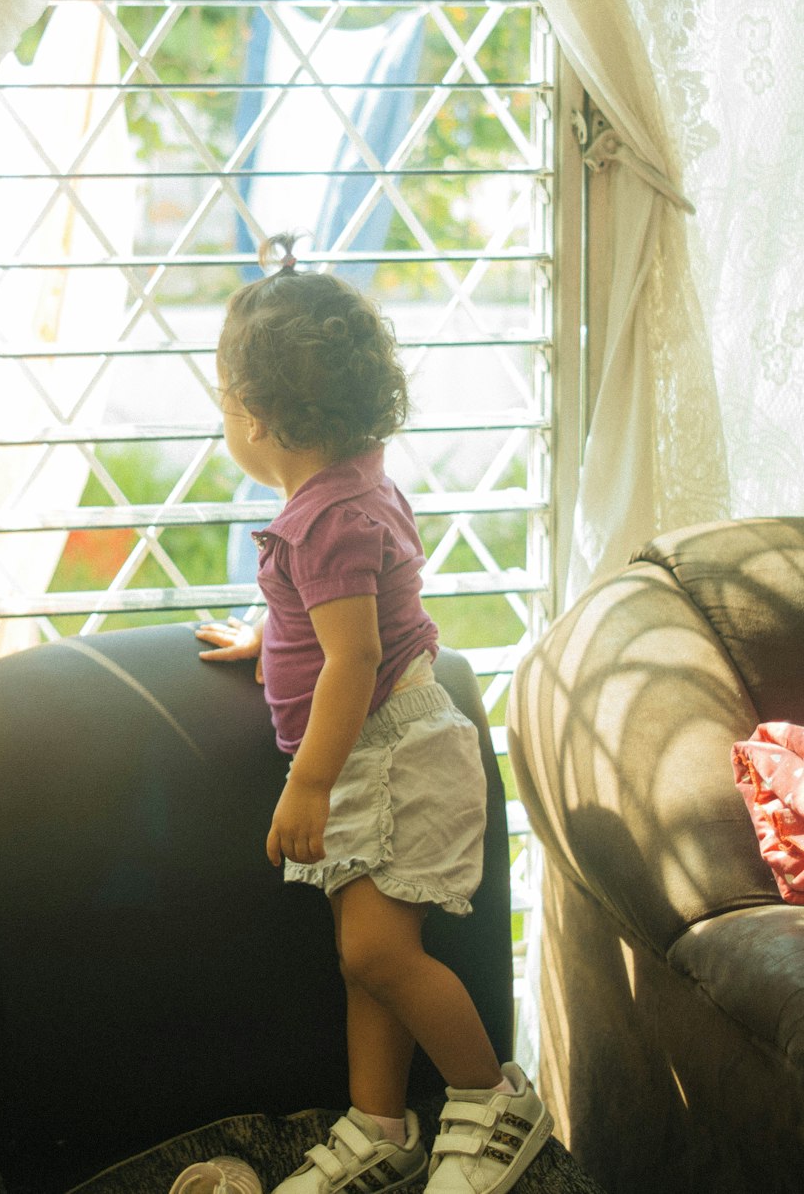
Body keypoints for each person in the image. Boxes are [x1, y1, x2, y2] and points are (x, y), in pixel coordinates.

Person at [196, 235, 552, 1194]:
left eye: (225, 400)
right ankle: (380, 1125)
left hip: (389, 753)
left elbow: (355, 655)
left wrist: (307, 780)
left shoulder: (325, 520)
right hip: (384, 745)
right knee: (368, 961)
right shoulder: (353, 489)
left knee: (375, 949)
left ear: (261, 418)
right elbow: (343, 624)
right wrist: (272, 641)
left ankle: (491, 1100)